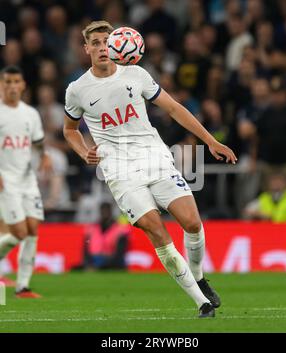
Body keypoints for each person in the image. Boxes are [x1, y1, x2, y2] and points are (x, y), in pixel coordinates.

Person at [63, 20, 237, 318]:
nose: (103, 47)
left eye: (107, 41)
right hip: (119, 170)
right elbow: (69, 130)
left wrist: (209, 141)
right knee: (155, 229)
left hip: (155, 158)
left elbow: (173, 108)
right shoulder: (77, 90)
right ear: (87, 49)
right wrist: (83, 153)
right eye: (96, 43)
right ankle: (201, 303)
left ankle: (198, 277)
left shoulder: (136, 74)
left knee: (192, 223)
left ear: (116, 43)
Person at [0, 65, 52, 298]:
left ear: (22, 85)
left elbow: (38, 141)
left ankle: (23, 287)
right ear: (1, 85)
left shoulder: (30, 113)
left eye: (15, 82)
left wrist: (44, 156)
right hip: (5, 180)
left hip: (27, 179)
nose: (12, 86)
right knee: (19, 232)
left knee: (32, 231)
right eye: (7, 82)